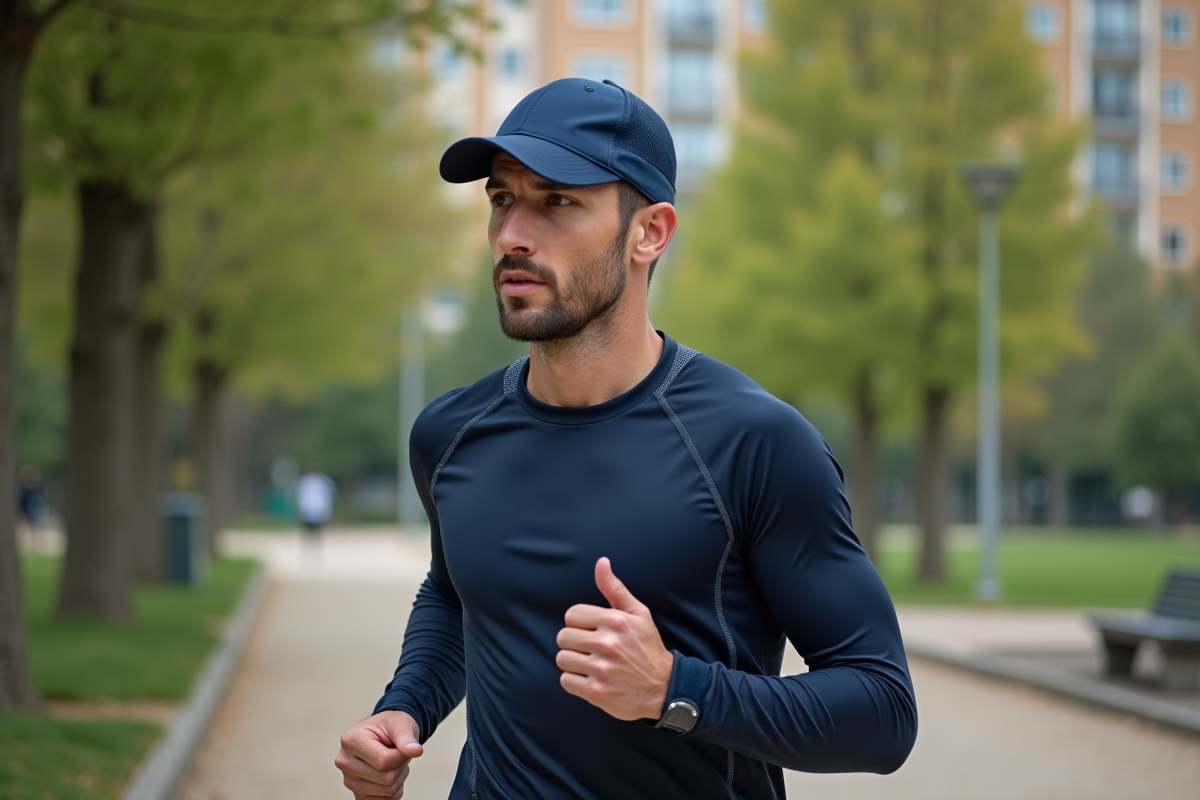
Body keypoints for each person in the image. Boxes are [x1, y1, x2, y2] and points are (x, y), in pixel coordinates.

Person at [335, 78, 917, 799]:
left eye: (556, 201)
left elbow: (883, 713)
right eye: (501, 199)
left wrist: (674, 688)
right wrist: (404, 707)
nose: (513, 233)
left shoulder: (755, 443)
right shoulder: (450, 435)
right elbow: (457, 592)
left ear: (650, 232)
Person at [294, 468, 337, 547]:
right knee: (316, 529)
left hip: (308, 508)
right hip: (317, 508)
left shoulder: (304, 482)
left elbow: (297, 495)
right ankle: (314, 544)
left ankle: (308, 544)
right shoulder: (324, 482)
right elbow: (329, 496)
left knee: (307, 529)